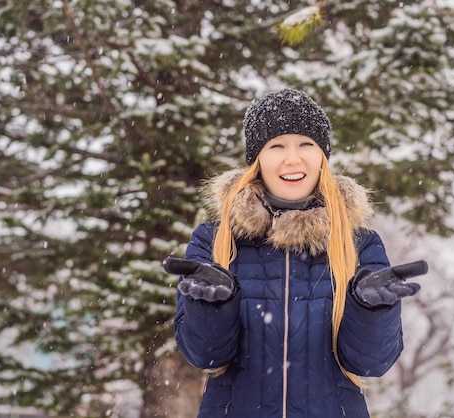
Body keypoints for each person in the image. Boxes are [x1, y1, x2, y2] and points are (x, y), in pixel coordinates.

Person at [163, 88, 427, 418]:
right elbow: (205, 356)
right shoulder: (216, 242)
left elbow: (372, 363)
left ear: (322, 157)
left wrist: (371, 312)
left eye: (306, 145)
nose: (292, 159)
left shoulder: (359, 245)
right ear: (257, 160)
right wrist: (212, 307)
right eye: (276, 146)